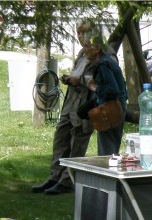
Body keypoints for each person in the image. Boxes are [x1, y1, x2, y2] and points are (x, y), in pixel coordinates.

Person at [31, 20, 97, 195]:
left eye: (84, 33)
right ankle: (55, 177)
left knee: (77, 142)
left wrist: (80, 81)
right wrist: (70, 79)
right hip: (71, 100)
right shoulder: (83, 53)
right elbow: (79, 73)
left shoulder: (103, 53)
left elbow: (100, 83)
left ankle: (68, 181)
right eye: (79, 33)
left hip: (85, 104)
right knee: (61, 137)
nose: (81, 37)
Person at [81, 28, 128, 156]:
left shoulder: (103, 64)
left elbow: (113, 90)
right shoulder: (107, 62)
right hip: (116, 107)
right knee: (109, 150)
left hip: (111, 109)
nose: (84, 49)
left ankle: (109, 176)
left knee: (107, 153)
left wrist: (95, 88)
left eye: (86, 46)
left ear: (97, 48)